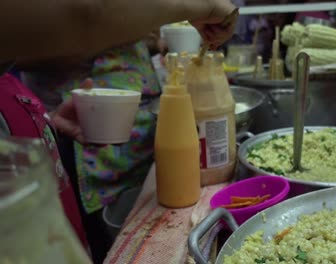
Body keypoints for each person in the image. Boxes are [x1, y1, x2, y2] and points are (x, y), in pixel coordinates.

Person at [0, 0, 238, 262]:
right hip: (87, 168)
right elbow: (87, 14)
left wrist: (49, 123)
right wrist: (201, 6)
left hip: (69, 143)